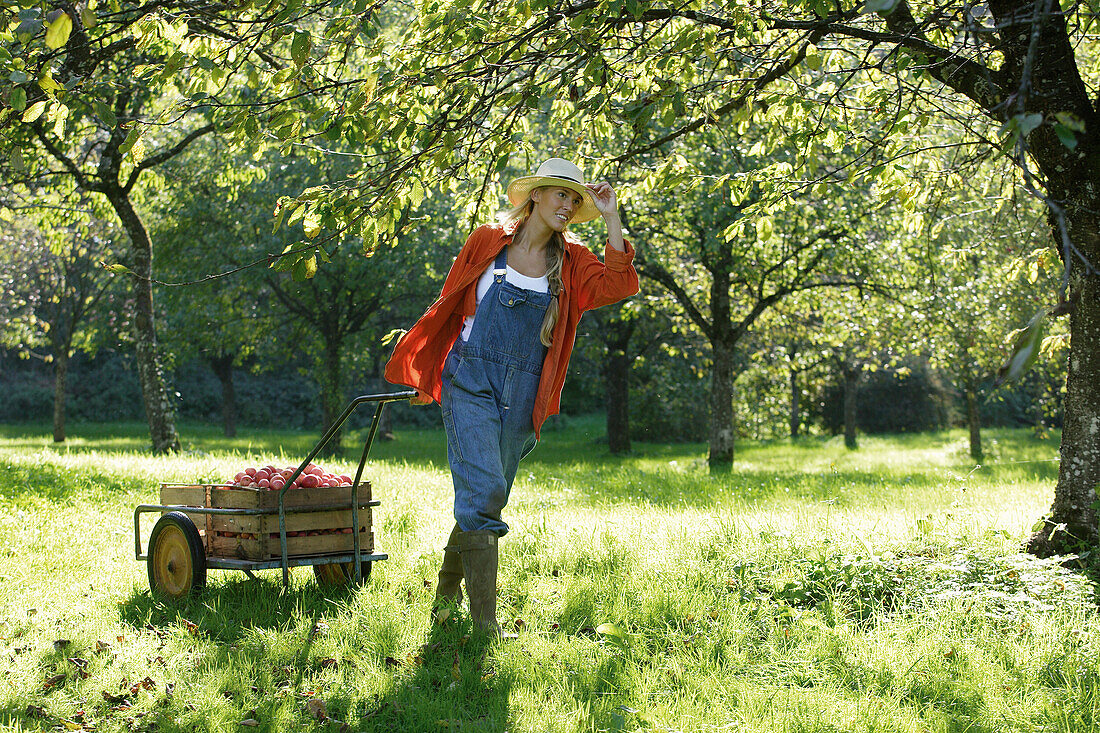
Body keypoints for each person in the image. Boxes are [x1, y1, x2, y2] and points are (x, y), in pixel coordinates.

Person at [384, 158, 639, 635]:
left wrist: (610, 217)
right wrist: (428, 365)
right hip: (471, 378)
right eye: (560, 194)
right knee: (488, 491)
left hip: (524, 390)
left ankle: (445, 594)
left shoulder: (574, 261)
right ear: (535, 196)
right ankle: (484, 627)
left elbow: (619, 283)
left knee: (484, 499)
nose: (568, 205)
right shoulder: (487, 241)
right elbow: (450, 300)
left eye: (575, 199)